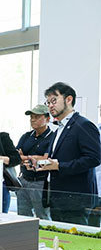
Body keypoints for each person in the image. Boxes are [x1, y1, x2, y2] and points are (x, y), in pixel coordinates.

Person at [28, 82, 101, 225]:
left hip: (77, 201)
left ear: (69, 99)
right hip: (57, 198)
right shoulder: (58, 128)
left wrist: (59, 166)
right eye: (48, 102)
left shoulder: (83, 125)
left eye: (54, 100)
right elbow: (57, 159)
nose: (50, 105)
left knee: (76, 237)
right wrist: (40, 163)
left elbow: (94, 158)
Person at [15, 104, 53, 220]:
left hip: (41, 182)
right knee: (22, 216)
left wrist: (25, 157)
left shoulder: (52, 137)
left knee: (43, 216)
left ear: (47, 119)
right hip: (24, 180)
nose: (33, 119)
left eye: (37, 117)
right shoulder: (26, 136)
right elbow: (16, 156)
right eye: (31, 117)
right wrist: (32, 158)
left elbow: (46, 160)